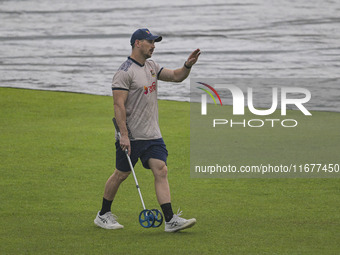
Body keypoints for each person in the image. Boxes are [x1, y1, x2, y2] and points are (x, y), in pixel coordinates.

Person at [94, 28, 200, 232]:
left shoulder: (152, 66)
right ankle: (103, 214)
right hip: (132, 137)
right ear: (137, 43)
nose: (153, 45)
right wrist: (124, 135)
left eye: (155, 42)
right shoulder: (124, 72)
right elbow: (118, 106)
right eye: (150, 42)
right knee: (120, 175)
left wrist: (187, 65)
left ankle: (169, 220)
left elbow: (177, 77)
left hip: (153, 135)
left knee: (161, 169)